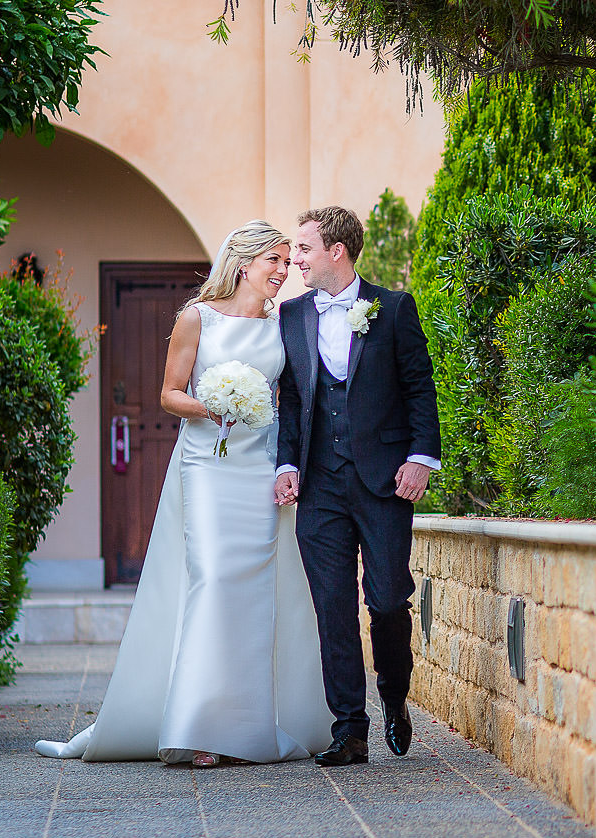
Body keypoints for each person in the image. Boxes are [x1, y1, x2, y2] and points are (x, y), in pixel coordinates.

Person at [35, 221, 332, 766]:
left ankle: (245, 729)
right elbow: (170, 395)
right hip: (208, 465)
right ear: (245, 262)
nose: (284, 272)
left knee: (257, 591)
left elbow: (291, 399)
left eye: (289, 263)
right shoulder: (197, 318)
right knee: (213, 580)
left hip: (260, 467)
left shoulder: (283, 325)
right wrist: (211, 407)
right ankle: (198, 728)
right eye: (276, 261)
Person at [273, 206, 441, 766]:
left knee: (389, 600)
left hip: (385, 481)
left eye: (303, 249)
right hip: (319, 485)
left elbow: (420, 387)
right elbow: (293, 398)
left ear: (335, 252)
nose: (294, 260)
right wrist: (286, 464)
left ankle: (395, 697)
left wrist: (421, 457)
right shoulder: (292, 314)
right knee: (333, 607)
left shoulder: (392, 308)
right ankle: (349, 728)